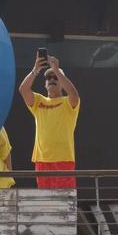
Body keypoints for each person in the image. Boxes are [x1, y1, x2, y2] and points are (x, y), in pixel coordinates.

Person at [18, 53, 81, 188]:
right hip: (42, 160)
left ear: (62, 82)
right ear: (45, 84)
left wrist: (57, 70)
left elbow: (74, 95)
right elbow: (23, 89)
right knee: (46, 199)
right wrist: (35, 69)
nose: (52, 79)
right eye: (48, 77)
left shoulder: (68, 102)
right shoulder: (39, 101)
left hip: (63, 159)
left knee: (65, 199)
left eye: (55, 77)